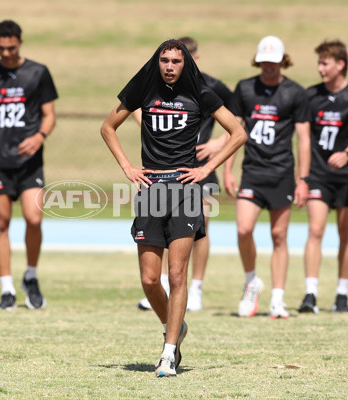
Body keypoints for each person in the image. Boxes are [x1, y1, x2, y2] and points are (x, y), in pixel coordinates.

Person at [101, 39, 246, 377]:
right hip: (151, 189)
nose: (169, 66)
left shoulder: (201, 92)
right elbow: (108, 128)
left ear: (186, 64)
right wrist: (127, 167)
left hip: (186, 190)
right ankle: (175, 325)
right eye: (164, 59)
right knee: (150, 279)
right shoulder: (144, 88)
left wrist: (207, 169)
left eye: (175, 61)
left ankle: (168, 353)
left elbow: (238, 133)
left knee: (177, 274)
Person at [136, 36, 236, 312]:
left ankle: (197, 287)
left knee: (200, 227)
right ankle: (166, 285)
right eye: (166, 60)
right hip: (167, 169)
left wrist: (218, 145)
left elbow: (239, 120)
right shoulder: (156, 89)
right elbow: (136, 108)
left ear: (194, 59)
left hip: (200, 165)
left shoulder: (209, 87)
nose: (171, 66)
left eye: (181, 59)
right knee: (169, 227)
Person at [0, 20, 58, 310]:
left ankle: (30, 276)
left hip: (29, 162)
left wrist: (40, 136)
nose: (6, 52)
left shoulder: (38, 72)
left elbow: (50, 115)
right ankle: (6, 288)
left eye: (11, 47)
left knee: (34, 218)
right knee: (0, 223)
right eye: (0, 47)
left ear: (20, 42)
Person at [224, 35, 311, 319]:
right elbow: (235, 131)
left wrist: (303, 179)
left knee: (278, 235)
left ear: (283, 62)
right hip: (252, 172)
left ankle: (277, 298)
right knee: (243, 229)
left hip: (282, 173)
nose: (269, 67)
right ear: (258, 61)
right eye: (264, 61)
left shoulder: (296, 93)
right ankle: (251, 282)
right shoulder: (246, 89)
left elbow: (304, 139)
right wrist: (227, 169)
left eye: (274, 62)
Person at [298, 40, 348, 314]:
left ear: (340, 64)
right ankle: (310, 294)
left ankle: (342, 295)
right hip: (318, 174)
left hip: (347, 175)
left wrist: (347, 154)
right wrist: (302, 177)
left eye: (325, 63)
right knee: (315, 230)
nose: (320, 68)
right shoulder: (310, 96)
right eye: (318, 63)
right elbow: (303, 138)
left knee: (345, 233)